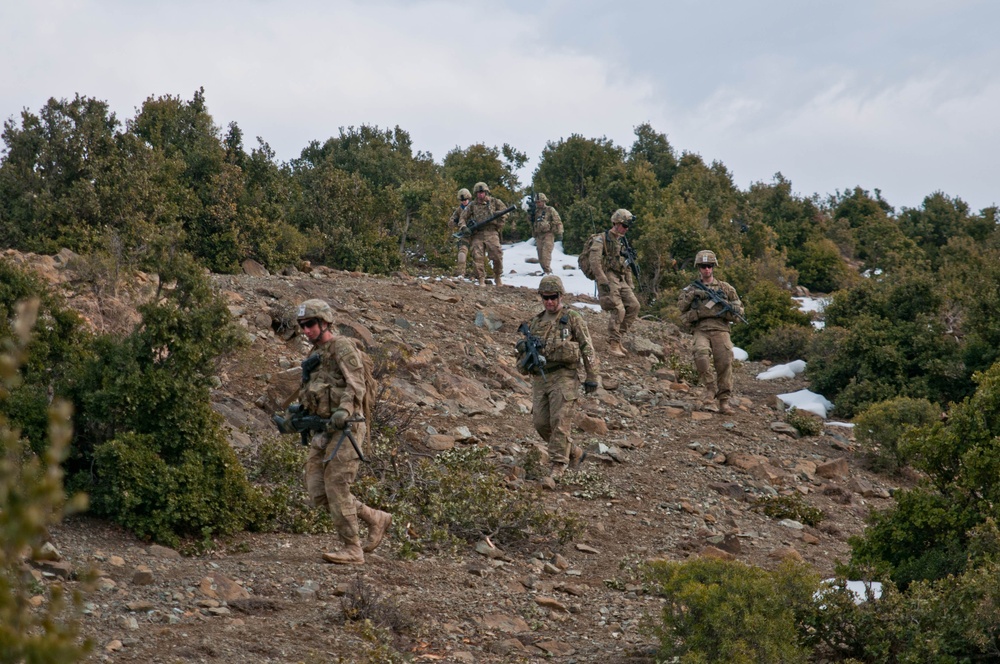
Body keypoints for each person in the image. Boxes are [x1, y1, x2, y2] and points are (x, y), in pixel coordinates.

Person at [294, 299, 392, 564]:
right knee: (317, 491)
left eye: (310, 324)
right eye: (302, 326)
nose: (306, 330)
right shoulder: (314, 356)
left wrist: (345, 410)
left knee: (337, 485)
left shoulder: (342, 347)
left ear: (325, 322)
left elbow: (356, 384)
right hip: (323, 428)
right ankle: (375, 517)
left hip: (347, 428)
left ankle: (352, 548)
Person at [516, 275, 600, 478]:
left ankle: (558, 466)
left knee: (560, 421)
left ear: (560, 295)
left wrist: (592, 375)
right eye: (545, 297)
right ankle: (574, 452)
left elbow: (587, 346)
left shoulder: (572, 317)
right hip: (540, 379)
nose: (549, 302)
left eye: (553, 297)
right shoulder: (535, 322)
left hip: (564, 376)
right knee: (541, 423)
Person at [677, 250, 744, 415]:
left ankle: (724, 401)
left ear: (713, 267)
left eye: (709, 266)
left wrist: (726, 307)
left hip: (721, 329)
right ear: (698, 268)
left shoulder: (725, 288)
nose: (707, 269)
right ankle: (709, 388)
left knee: (725, 362)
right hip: (701, 329)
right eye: (703, 266)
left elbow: (739, 310)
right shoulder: (691, 288)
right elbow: (680, 307)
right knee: (700, 354)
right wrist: (693, 295)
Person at [587, 208, 640, 357]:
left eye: (627, 227)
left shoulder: (622, 241)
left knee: (634, 306)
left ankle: (618, 337)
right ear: (616, 223)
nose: (625, 229)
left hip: (621, 277)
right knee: (619, 309)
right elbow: (594, 261)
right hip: (608, 276)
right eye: (624, 225)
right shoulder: (601, 238)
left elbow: (626, 263)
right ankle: (613, 343)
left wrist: (630, 283)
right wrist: (602, 279)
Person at [459, 182, 507, 286]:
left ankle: (497, 277)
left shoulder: (495, 202)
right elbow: (462, 217)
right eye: (478, 193)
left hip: (492, 232)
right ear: (475, 193)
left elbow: (506, 212)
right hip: (478, 233)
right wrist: (464, 227)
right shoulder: (472, 205)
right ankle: (481, 278)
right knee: (478, 257)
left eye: (482, 192)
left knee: (497, 255)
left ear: (486, 192)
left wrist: (499, 219)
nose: (480, 195)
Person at [531, 193, 563, 274]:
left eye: (540, 201)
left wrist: (559, 232)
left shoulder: (550, 210)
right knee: (540, 255)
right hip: (539, 235)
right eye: (537, 202)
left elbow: (557, 221)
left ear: (544, 201)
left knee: (546, 254)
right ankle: (545, 270)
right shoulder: (536, 211)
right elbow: (531, 222)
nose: (538, 203)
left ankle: (548, 271)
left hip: (548, 234)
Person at [449, 188, 473, 278]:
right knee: (462, 251)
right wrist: (455, 221)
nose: (464, 202)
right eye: (462, 200)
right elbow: (450, 223)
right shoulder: (458, 210)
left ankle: (480, 274)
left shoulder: (474, 206)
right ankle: (461, 273)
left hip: (477, 233)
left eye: (465, 200)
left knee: (478, 254)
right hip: (465, 233)